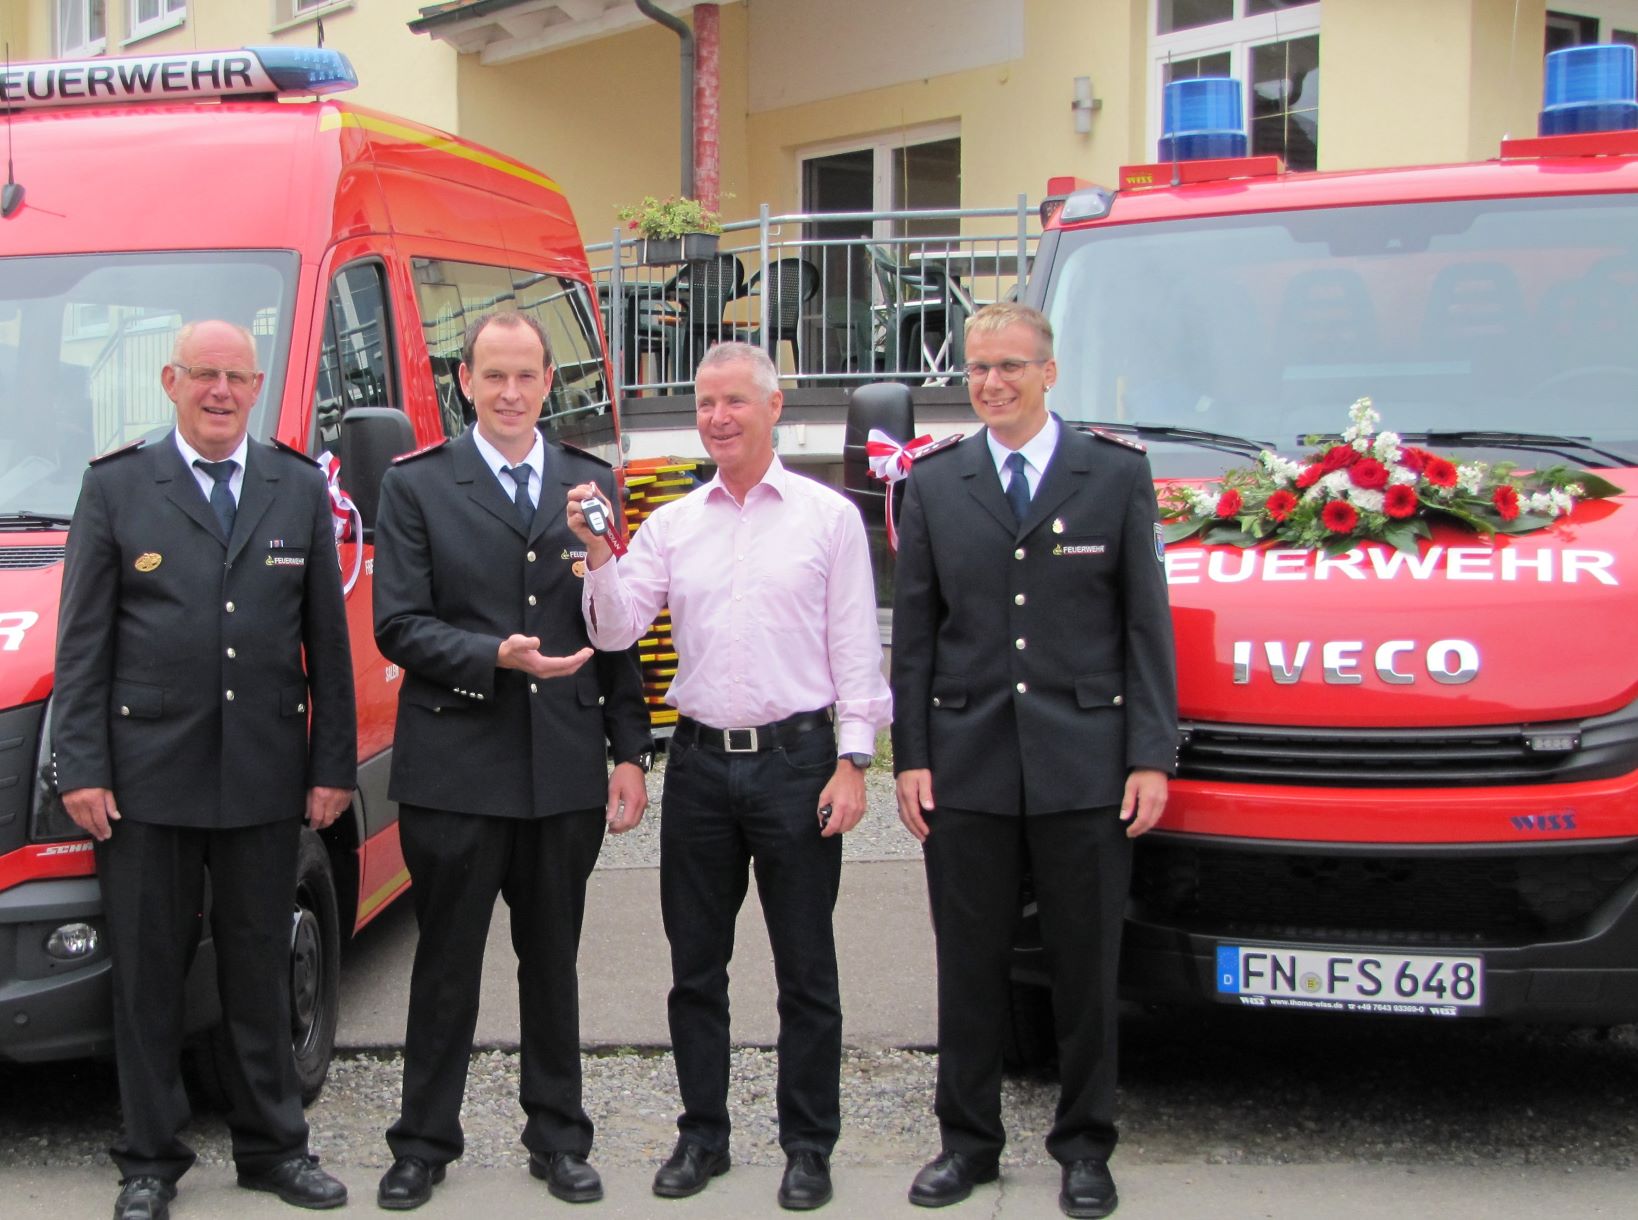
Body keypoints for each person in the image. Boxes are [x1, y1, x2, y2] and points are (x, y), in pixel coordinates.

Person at [567, 341, 891, 1212]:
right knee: (695, 967)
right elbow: (614, 627)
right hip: (703, 767)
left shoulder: (826, 518)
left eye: (735, 401)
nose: (717, 417)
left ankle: (807, 1145)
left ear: (773, 408)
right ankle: (702, 1133)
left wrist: (855, 762)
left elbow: (857, 650)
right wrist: (598, 551)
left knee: (806, 970)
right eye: (706, 402)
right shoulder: (675, 524)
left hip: (798, 764)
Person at [52, 320, 357, 1220]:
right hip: (146, 777)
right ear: (170, 381)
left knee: (258, 970)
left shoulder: (295, 487)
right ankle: (149, 1159)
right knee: (149, 975)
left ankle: (273, 1147)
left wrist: (331, 762)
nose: (220, 391)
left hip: (264, 774)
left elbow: (326, 648)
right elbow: (83, 645)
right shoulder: (117, 488)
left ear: (256, 386)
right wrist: (81, 767)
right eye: (203, 376)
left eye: (236, 377)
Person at [890, 303, 1178, 1219]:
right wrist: (913, 755)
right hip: (969, 762)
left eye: (1010, 366)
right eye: (977, 369)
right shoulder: (937, 484)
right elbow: (917, 638)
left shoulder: (1112, 475)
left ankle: (1086, 1148)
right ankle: (966, 1144)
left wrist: (1149, 755)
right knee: (968, 965)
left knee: (1085, 965)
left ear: (1049, 373)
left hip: (1085, 762)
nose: (992, 384)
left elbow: (1145, 627)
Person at [372, 310, 653, 1210]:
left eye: (526, 375)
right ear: (464, 380)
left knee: (553, 961)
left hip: (563, 766)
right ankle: (422, 1143)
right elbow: (400, 624)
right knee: (446, 963)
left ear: (548, 379)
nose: (510, 392)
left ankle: (559, 1137)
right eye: (493, 376)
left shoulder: (590, 481)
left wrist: (630, 751)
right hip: (457, 764)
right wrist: (493, 656)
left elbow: (615, 627)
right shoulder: (417, 485)